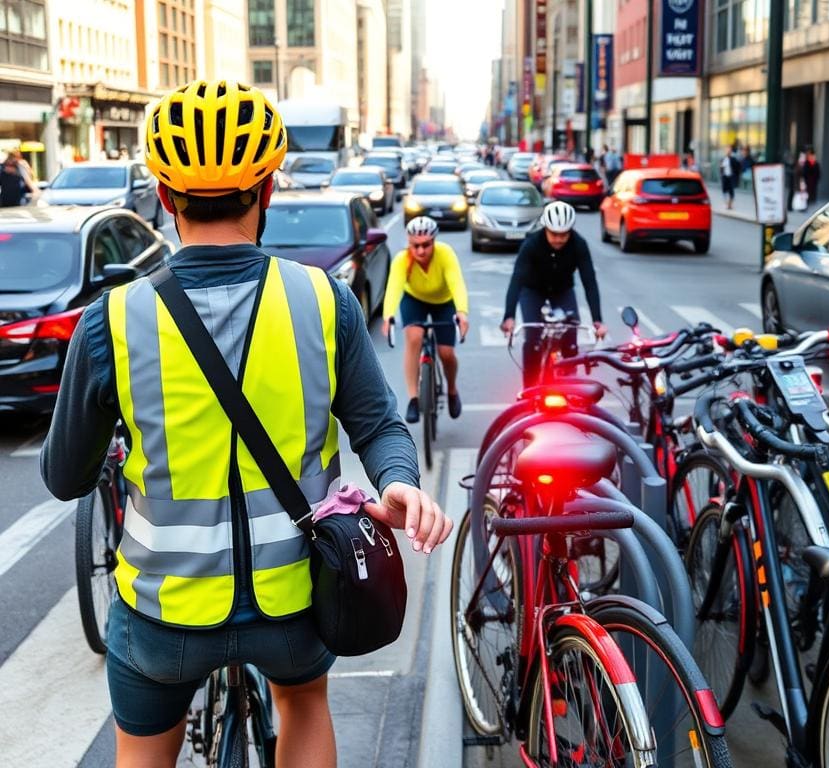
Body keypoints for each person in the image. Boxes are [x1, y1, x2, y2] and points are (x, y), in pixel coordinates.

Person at [39, 79, 452, 768]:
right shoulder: (324, 300)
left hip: (163, 621)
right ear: (266, 189)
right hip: (292, 607)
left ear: (164, 200)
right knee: (305, 702)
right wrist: (400, 481)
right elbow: (379, 425)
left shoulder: (111, 321)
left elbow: (62, 477)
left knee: (142, 743)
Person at [500, 201, 607, 388]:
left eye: (564, 235)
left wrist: (597, 320)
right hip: (533, 289)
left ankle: (569, 381)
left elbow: (589, 282)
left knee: (571, 330)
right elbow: (516, 280)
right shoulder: (531, 244)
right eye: (554, 234)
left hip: (562, 290)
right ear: (545, 228)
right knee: (533, 337)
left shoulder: (579, 244)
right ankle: (530, 389)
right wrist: (508, 316)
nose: (558, 239)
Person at [382, 216, 469, 424]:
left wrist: (462, 311)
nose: (421, 251)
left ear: (434, 242)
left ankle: (452, 390)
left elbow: (457, 283)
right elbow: (393, 287)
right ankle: (413, 398)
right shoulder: (402, 260)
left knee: (446, 353)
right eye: (415, 246)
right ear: (409, 243)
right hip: (414, 299)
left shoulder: (445, 254)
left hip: (443, 301)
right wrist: (388, 316)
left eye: (426, 245)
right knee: (414, 338)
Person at [720, 145, 741, 210]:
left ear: (731, 152)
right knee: (724, 191)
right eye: (726, 150)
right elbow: (721, 168)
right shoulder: (723, 159)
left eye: (729, 150)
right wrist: (721, 174)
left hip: (731, 177)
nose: (728, 152)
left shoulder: (733, 159)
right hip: (725, 176)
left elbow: (738, 167)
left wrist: (735, 175)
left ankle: (730, 204)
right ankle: (727, 204)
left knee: (731, 191)